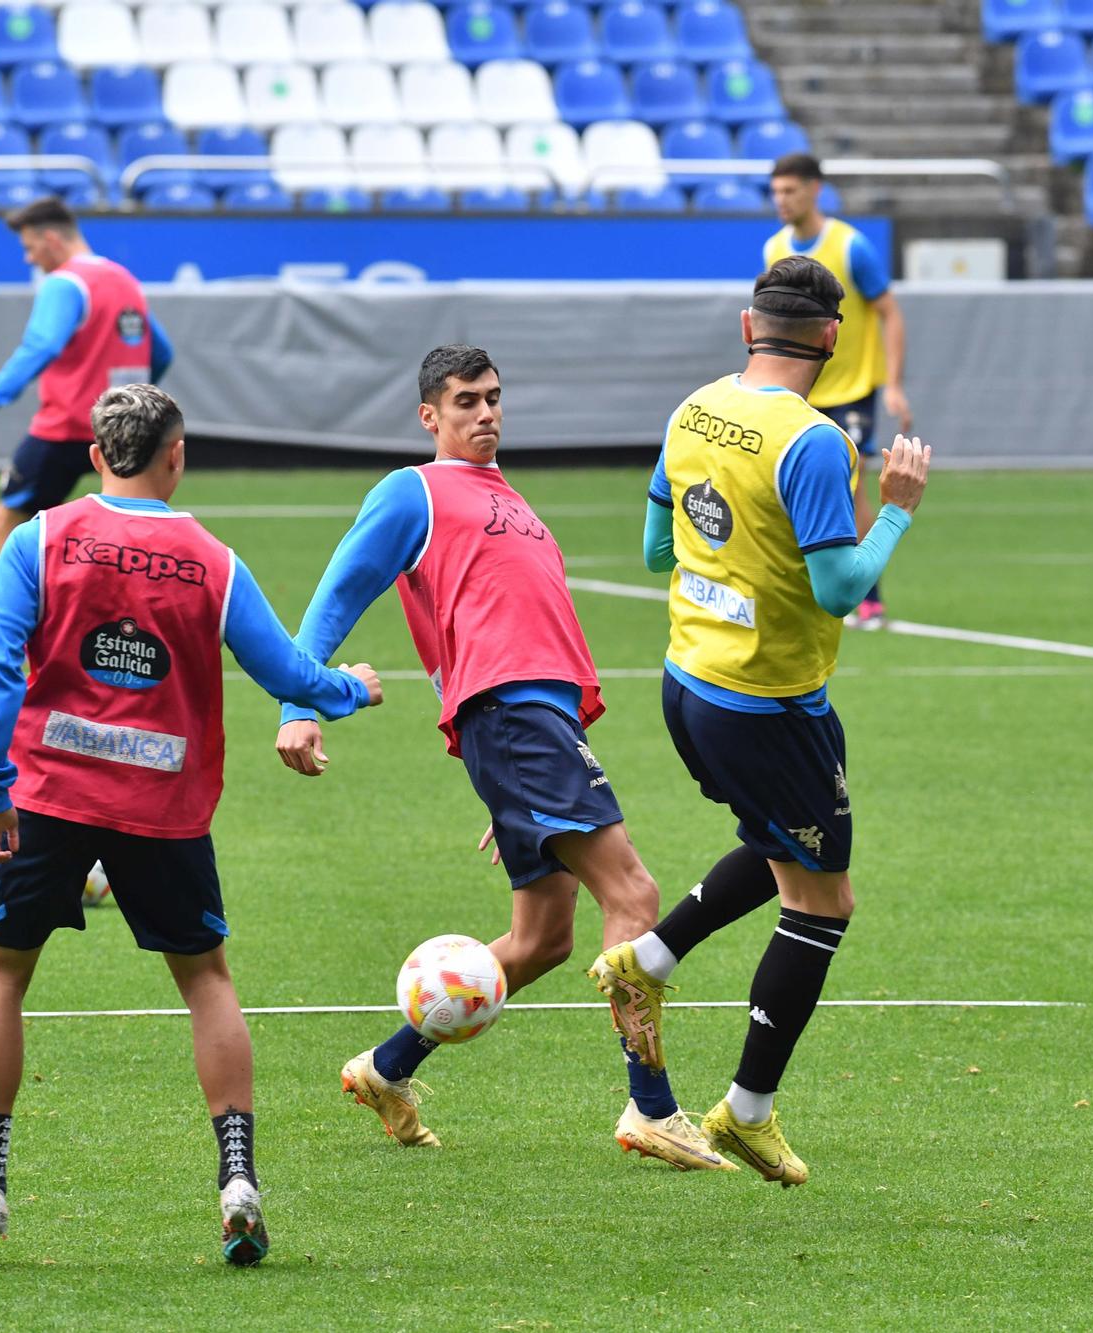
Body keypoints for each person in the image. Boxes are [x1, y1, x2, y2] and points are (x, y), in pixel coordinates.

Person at [272, 345, 730, 1173]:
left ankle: (385, 1067)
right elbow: (338, 591)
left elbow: (481, 630)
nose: (485, 413)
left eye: (493, 398)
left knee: (544, 938)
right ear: (429, 416)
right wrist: (300, 701)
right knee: (634, 894)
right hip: (515, 719)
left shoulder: (512, 500)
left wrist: (502, 787)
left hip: (532, 728)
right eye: (465, 402)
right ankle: (652, 1107)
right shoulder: (412, 490)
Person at [0, 384, 382, 1263]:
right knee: (206, 980)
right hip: (164, 806)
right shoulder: (212, 560)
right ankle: (238, 1180)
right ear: (176, 455)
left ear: (96, 454)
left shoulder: (40, 538)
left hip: (49, 795)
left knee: (1, 976)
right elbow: (285, 670)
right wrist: (350, 690)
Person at [589, 256, 930, 1185]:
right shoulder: (816, 441)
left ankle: (646, 961)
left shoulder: (691, 409)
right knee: (823, 901)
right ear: (833, 337)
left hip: (687, 684)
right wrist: (895, 513)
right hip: (767, 703)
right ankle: (746, 1111)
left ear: (748, 327)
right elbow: (838, 589)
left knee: (779, 844)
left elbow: (660, 545)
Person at [0, 197, 174, 554]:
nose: (29, 259)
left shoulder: (65, 283)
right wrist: (129, 401)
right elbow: (161, 352)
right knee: (119, 533)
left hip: (67, 428)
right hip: (124, 430)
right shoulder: (123, 280)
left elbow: (40, 347)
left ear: (51, 239)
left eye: (30, 248)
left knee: (11, 521)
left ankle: (26, 610)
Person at [764, 153, 910, 630]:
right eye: (776, 191)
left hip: (849, 387)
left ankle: (867, 594)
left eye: (790, 191)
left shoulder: (850, 247)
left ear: (814, 190)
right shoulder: (775, 248)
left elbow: (890, 312)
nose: (782, 200)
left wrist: (893, 384)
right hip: (796, 387)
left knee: (851, 484)